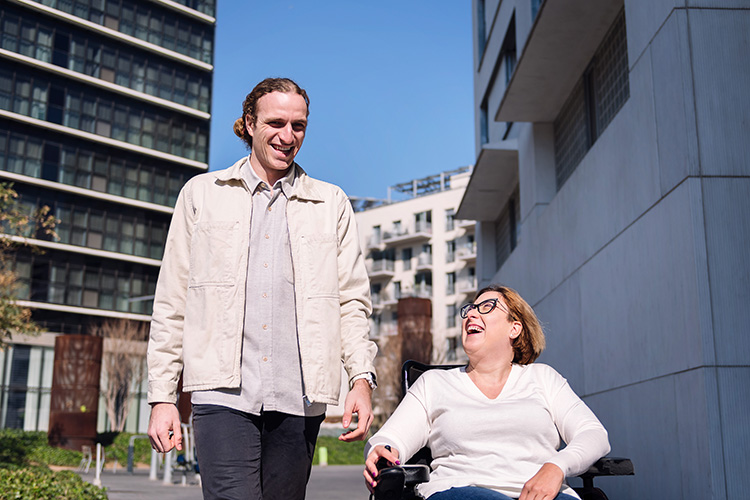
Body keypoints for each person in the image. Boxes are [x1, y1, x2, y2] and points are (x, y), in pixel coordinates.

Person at [147, 77, 378, 500]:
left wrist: (360, 378)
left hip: (301, 397)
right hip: (223, 394)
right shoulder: (201, 195)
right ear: (249, 123)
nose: (288, 137)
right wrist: (162, 397)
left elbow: (352, 302)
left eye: (299, 126)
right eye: (276, 123)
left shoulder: (331, 204)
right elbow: (172, 302)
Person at [364, 285, 610, 500]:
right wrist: (383, 452)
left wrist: (557, 467)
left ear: (514, 328)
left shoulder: (543, 378)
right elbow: (390, 439)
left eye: (487, 307)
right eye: (469, 309)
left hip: (543, 493)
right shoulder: (434, 383)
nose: (471, 313)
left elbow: (594, 435)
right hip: (460, 490)